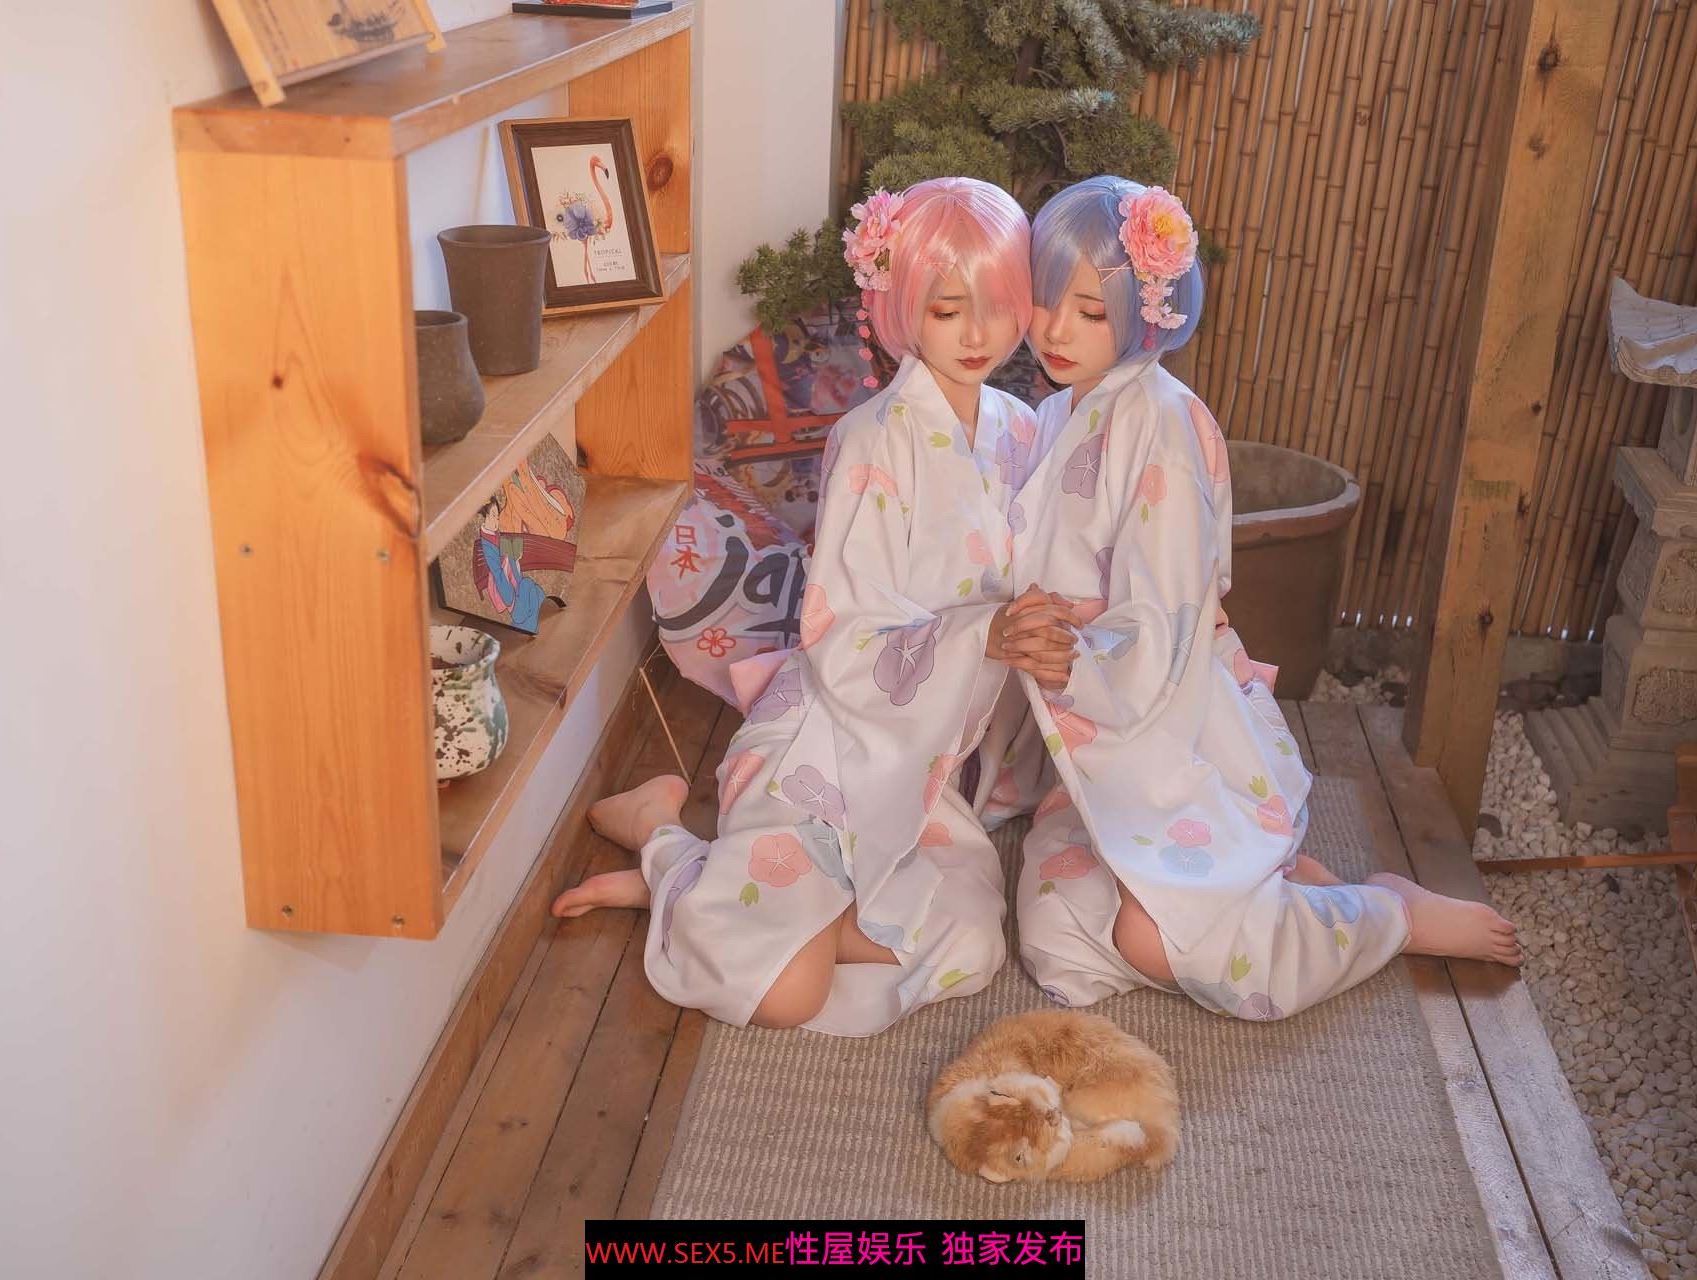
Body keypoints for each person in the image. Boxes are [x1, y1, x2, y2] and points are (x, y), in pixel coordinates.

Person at [551, 177, 1076, 1035]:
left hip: (925, 764)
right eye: (947, 310)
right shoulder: (869, 439)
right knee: (787, 998)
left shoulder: (1023, 430)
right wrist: (983, 632)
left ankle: (715, 901)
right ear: (903, 307)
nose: (978, 334)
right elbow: (842, 634)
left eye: (998, 305)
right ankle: (663, 841)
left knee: (973, 944)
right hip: (828, 746)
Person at [1003, 176, 1521, 1020]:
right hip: (1094, 736)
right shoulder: (1064, 410)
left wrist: (1070, 660)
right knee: (1059, 946)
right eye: (1045, 298)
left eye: (1092, 311)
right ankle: (1273, 887)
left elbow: (1167, 622)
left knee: (1172, 947)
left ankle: (1382, 915)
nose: (1056, 330)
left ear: (1146, 313)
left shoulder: (1163, 425)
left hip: (1165, 717)